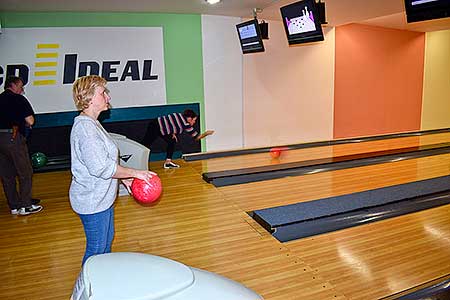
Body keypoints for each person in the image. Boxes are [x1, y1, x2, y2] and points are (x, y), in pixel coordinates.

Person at [70, 75, 157, 265]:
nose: (108, 97)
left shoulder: (92, 123)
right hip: (92, 202)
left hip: (101, 199)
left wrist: (122, 179)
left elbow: (104, 160)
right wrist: (136, 173)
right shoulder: (86, 130)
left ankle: (101, 283)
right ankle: (87, 290)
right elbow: (101, 167)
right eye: (103, 93)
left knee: (105, 245)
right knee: (96, 251)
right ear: (90, 97)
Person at [0, 76, 43, 216]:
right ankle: (25, 205)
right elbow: (30, 120)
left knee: (7, 175)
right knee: (25, 172)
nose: (22, 90)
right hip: (13, 138)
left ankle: (14, 205)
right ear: (12, 85)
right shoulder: (18, 99)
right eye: (20, 87)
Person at [142, 109, 214, 168]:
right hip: (155, 127)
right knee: (145, 145)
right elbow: (196, 137)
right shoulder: (186, 124)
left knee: (172, 141)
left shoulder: (178, 114)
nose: (194, 122)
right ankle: (139, 162)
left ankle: (168, 162)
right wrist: (206, 133)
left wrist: (172, 133)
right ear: (189, 118)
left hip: (158, 126)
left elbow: (170, 123)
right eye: (194, 120)